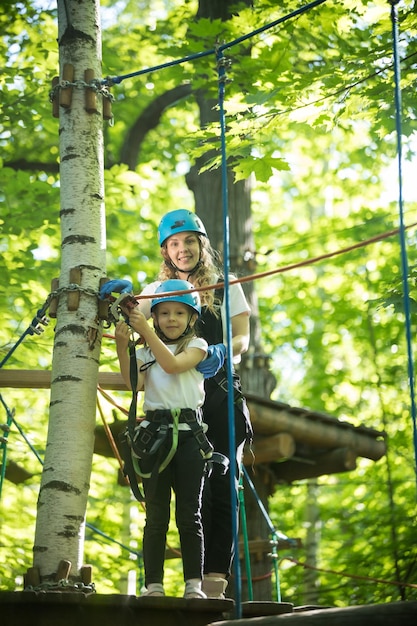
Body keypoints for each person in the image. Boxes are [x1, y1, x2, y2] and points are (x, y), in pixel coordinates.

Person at [139, 209, 253, 599]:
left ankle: (212, 584)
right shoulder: (153, 291)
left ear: (201, 244)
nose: (182, 249)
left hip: (219, 395)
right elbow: (126, 326)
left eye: (189, 241)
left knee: (220, 487)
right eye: (174, 243)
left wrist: (223, 351)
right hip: (174, 403)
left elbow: (242, 337)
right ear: (165, 250)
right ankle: (162, 582)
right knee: (171, 497)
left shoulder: (226, 285)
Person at [115, 279, 210, 600]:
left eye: (179, 313)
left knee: (189, 514)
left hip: (188, 441)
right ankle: (153, 584)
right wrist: (121, 342)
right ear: (155, 316)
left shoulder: (197, 346)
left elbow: (171, 365)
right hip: (154, 438)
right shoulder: (146, 351)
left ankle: (193, 585)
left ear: (191, 318)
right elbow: (133, 383)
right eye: (164, 313)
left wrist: (145, 333)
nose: (171, 319)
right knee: (156, 515)